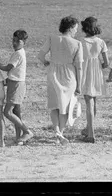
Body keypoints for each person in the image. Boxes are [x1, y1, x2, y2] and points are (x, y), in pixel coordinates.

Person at [38, 16, 83, 145]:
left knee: (54, 105)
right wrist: (79, 85)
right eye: (75, 28)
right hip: (69, 75)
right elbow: (79, 66)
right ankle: (60, 134)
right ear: (70, 28)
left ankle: (57, 130)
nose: (76, 31)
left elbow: (40, 56)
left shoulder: (52, 39)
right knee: (65, 106)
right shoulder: (77, 44)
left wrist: (47, 63)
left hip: (53, 72)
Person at [0, 30, 34, 145]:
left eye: (18, 41)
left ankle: (27, 131)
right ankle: (19, 138)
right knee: (16, 112)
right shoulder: (19, 52)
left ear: (24, 42)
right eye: (14, 40)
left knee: (7, 112)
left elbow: (8, 68)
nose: (14, 43)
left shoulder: (18, 54)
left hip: (16, 85)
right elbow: (14, 71)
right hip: (15, 82)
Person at [79, 16, 109, 143]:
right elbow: (106, 63)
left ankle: (91, 133)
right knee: (93, 102)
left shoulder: (81, 42)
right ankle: (88, 129)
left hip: (85, 72)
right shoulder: (101, 42)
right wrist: (98, 66)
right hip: (96, 72)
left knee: (89, 103)